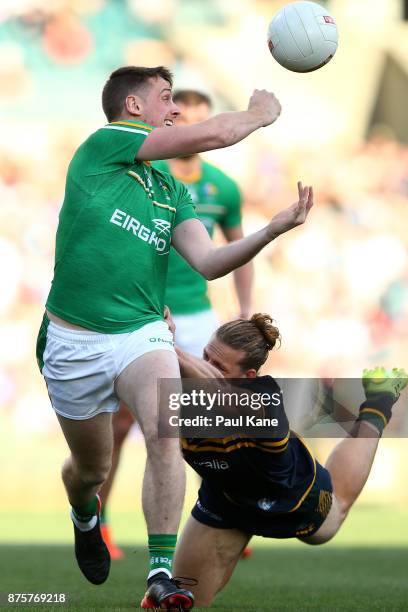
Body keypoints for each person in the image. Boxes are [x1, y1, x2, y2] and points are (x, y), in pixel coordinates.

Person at [36, 65, 313, 610]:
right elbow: (214, 133)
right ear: (135, 108)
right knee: (92, 468)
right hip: (73, 340)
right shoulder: (104, 147)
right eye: (166, 98)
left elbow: (209, 262)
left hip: (141, 332)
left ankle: (160, 573)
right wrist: (259, 115)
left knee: (165, 432)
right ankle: (85, 512)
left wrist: (271, 229)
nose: (176, 109)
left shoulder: (171, 190)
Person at [98, 89, 253, 560]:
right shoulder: (150, 176)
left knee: (210, 418)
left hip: (199, 316)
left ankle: (220, 513)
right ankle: (99, 520)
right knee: (129, 422)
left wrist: (244, 310)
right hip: (150, 312)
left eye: (206, 123)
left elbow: (235, 248)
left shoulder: (224, 187)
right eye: (189, 121)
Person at [169, 314, 407, 607]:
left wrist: (169, 347)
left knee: (337, 509)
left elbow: (216, 394)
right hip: (227, 501)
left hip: (291, 498)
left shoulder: (262, 402)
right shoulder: (181, 383)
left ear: (248, 378)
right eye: (205, 355)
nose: (204, 364)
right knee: (179, 601)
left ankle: (377, 404)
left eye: (217, 366)